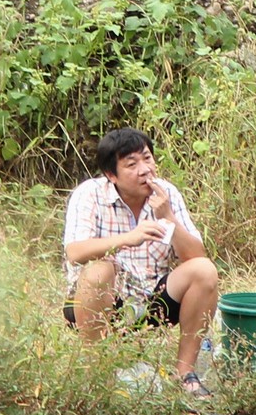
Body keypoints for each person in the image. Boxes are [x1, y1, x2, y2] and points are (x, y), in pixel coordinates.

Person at [62, 128, 221, 399]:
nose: (145, 170)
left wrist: (168, 216)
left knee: (205, 271)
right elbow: (75, 252)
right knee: (99, 270)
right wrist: (128, 238)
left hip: (154, 300)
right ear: (111, 175)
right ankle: (95, 375)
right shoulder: (89, 194)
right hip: (104, 302)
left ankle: (184, 374)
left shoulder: (166, 193)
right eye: (132, 165)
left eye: (147, 159)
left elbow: (196, 256)